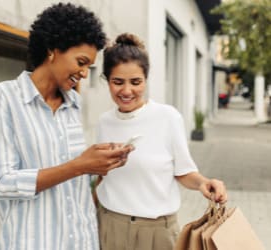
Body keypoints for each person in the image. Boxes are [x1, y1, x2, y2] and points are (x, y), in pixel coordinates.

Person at [0, 3, 132, 250]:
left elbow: (74, 174)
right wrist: (79, 166)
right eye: (81, 62)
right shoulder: (4, 97)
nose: (85, 74)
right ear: (52, 50)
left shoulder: (73, 102)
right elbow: (2, 182)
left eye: (89, 67)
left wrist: (100, 162)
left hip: (81, 240)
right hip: (34, 242)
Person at [95, 33, 228, 250]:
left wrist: (204, 183)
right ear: (107, 80)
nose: (127, 91)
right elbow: (101, 177)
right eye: (117, 82)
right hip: (111, 225)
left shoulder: (168, 117)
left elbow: (183, 172)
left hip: (157, 231)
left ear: (146, 80)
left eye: (135, 82)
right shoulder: (104, 122)